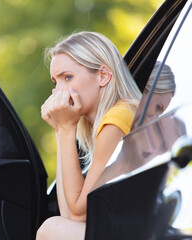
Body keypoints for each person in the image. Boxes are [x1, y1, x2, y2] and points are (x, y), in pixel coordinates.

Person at [37, 31, 141, 240]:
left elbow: (79, 214)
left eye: (67, 77)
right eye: (55, 81)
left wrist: (66, 130)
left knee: (50, 228)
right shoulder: (102, 123)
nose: (58, 91)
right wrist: (60, 130)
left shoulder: (119, 117)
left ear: (103, 76)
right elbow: (68, 214)